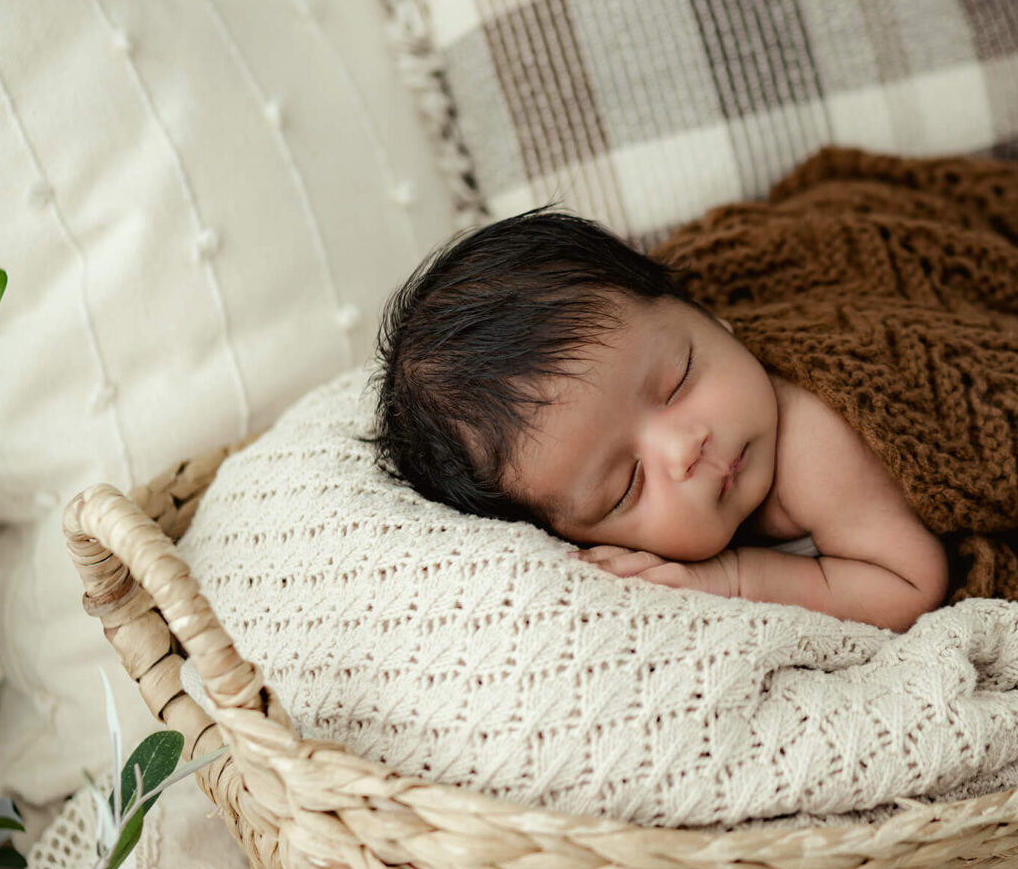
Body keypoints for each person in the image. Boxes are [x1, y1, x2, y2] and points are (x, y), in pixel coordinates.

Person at [374, 209, 949, 634]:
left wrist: (733, 581)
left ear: (707, 315)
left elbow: (911, 586)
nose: (684, 450)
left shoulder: (814, 443)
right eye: (628, 485)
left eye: (679, 379)